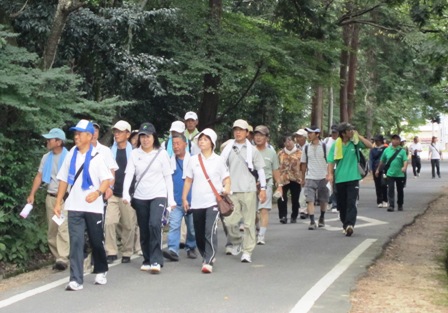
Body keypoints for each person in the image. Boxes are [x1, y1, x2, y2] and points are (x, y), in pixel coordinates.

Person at [54, 120, 113, 291]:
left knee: (96, 241)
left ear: (89, 136)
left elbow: (106, 180)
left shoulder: (97, 156)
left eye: (80, 134)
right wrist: (58, 202)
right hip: (74, 206)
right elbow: (64, 179)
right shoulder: (71, 154)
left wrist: (97, 193)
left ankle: (101, 269)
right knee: (76, 242)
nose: (76, 137)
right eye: (75, 134)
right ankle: (76, 279)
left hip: (93, 207)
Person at [122, 122, 175, 274]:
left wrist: (170, 200)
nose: (145, 139)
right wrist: (126, 193)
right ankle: (147, 258)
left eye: (148, 136)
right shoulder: (134, 154)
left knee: (154, 224)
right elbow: (129, 175)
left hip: (158, 194)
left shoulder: (162, 154)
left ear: (154, 137)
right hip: (140, 196)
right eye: (142, 136)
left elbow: (168, 177)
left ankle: (156, 260)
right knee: (144, 228)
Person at [183, 129, 231, 273]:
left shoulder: (219, 160)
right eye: (200, 139)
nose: (202, 142)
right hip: (197, 202)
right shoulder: (193, 160)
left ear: (212, 142)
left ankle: (209, 260)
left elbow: (226, 178)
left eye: (205, 139)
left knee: (209, 230)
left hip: (213, 201)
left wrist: (227, 188)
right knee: (198, 232)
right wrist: (184, 198)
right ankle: (206, 254)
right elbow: (188, 181)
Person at [221, 119, 266, 263]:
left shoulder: (252, 150)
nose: (238, 132)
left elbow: (260, 170)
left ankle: (247, 251)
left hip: (248, 190)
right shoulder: (227, 149)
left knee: (248, 223)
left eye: (241, 130)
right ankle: (237, 241)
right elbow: (221, 168)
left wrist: (263, 188)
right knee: (229, 222)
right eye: (235, 130)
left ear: (247, 133)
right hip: (232, 191)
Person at [27, 128, 69, 271]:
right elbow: (39, 176)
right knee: (52, 230)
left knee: (63, 228)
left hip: (64, 198)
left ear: (58, 142)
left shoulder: (69, 157)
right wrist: (32, 194)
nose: (47, 141)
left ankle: (63, 258)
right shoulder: (46, 157)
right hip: (50, 197)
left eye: (50, 139)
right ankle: (58, 256)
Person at [327, 122, 373, 237]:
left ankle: (350, 225)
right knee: (342, 204)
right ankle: (345, 224)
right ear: (343, 133)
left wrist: (359, 136)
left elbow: (370, 145)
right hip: (340, 178)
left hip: (353, 177)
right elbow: (331, 161)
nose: (351, 132)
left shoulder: (355, 143)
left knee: (351, 202)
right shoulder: (336, 145)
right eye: (349, 130)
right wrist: (330, 174)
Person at [104, 121, 138, 264]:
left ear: (128, 134)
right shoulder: (109, 152)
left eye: (120, 131)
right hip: (112, 193)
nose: (116, 134)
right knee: (109, 222)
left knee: (128, 225)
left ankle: (127, 251)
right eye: (115, 131)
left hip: (129, 194)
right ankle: (111, 251)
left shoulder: (135, 153)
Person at [162, 133, 197, 261]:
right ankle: (173, 250)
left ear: (185, 145)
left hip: (192, 201)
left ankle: (191, 246)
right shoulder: (169, 161)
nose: (175, 147)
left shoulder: (194, 160)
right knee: (174, 226)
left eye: (178, 143)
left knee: (192, 228)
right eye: (173, 144)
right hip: (175, 201)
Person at [253, 125, 282, 245]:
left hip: (267, 183)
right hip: (251, 184)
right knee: (253, 213)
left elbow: (275, 170)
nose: (258, 137)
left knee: (263, 210)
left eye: (261, 135)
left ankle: (261, 235)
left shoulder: (271, 153)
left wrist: (279, 185)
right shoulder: (250, 150)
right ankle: (256, 227)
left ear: (267, 138)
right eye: (256, 135)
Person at [300, 126, 330, 230]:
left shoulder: (325, 146)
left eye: (311, 133)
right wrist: (303, 178)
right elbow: (303, 163)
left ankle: (322, 217)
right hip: (310, 176)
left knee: (323, 200)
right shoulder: (306, 147)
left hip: (323, 176)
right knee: (309, 200)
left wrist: (330, 175)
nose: (309, 135)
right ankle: (312, 221)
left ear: (317, 134)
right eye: (308, 133)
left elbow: (330, 162)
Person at [376, 134, 408, 212]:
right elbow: (382, 160)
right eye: (394, 139)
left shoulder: (402, 151)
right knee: (390, 189)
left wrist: (404, 167)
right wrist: (377, 169)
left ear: (399, 141)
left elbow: (405, 161)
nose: (395, 141)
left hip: (400, 174)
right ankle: (391, 205)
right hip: (390, 173)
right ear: (391, 140)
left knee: (400, 190)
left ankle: (400, 204)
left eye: (397, 139)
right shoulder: (387, 150)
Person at [277, 135, 302, 224]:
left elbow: (303, 166)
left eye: (290, 141)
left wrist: (303, 177)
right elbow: (277, 166)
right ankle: (283, 216)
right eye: (286, 141)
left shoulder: (300, 153)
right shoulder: (280, 153)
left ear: (293, 141)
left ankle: (294, 215)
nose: (288, 143)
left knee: (295, 198)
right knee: (282, 197)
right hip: (283, 178)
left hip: (296, 178)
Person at [369, 135, 388, 208]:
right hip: (375, 168)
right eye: (375, 140)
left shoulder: (386, 149)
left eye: (377, 140)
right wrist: (370, 168)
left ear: (381, 141)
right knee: (377, 185)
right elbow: (370, 159)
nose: (376, 142)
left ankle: (385, 200)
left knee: (383, 184)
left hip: (384, 169)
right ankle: (379, 201)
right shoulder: (373, 149)